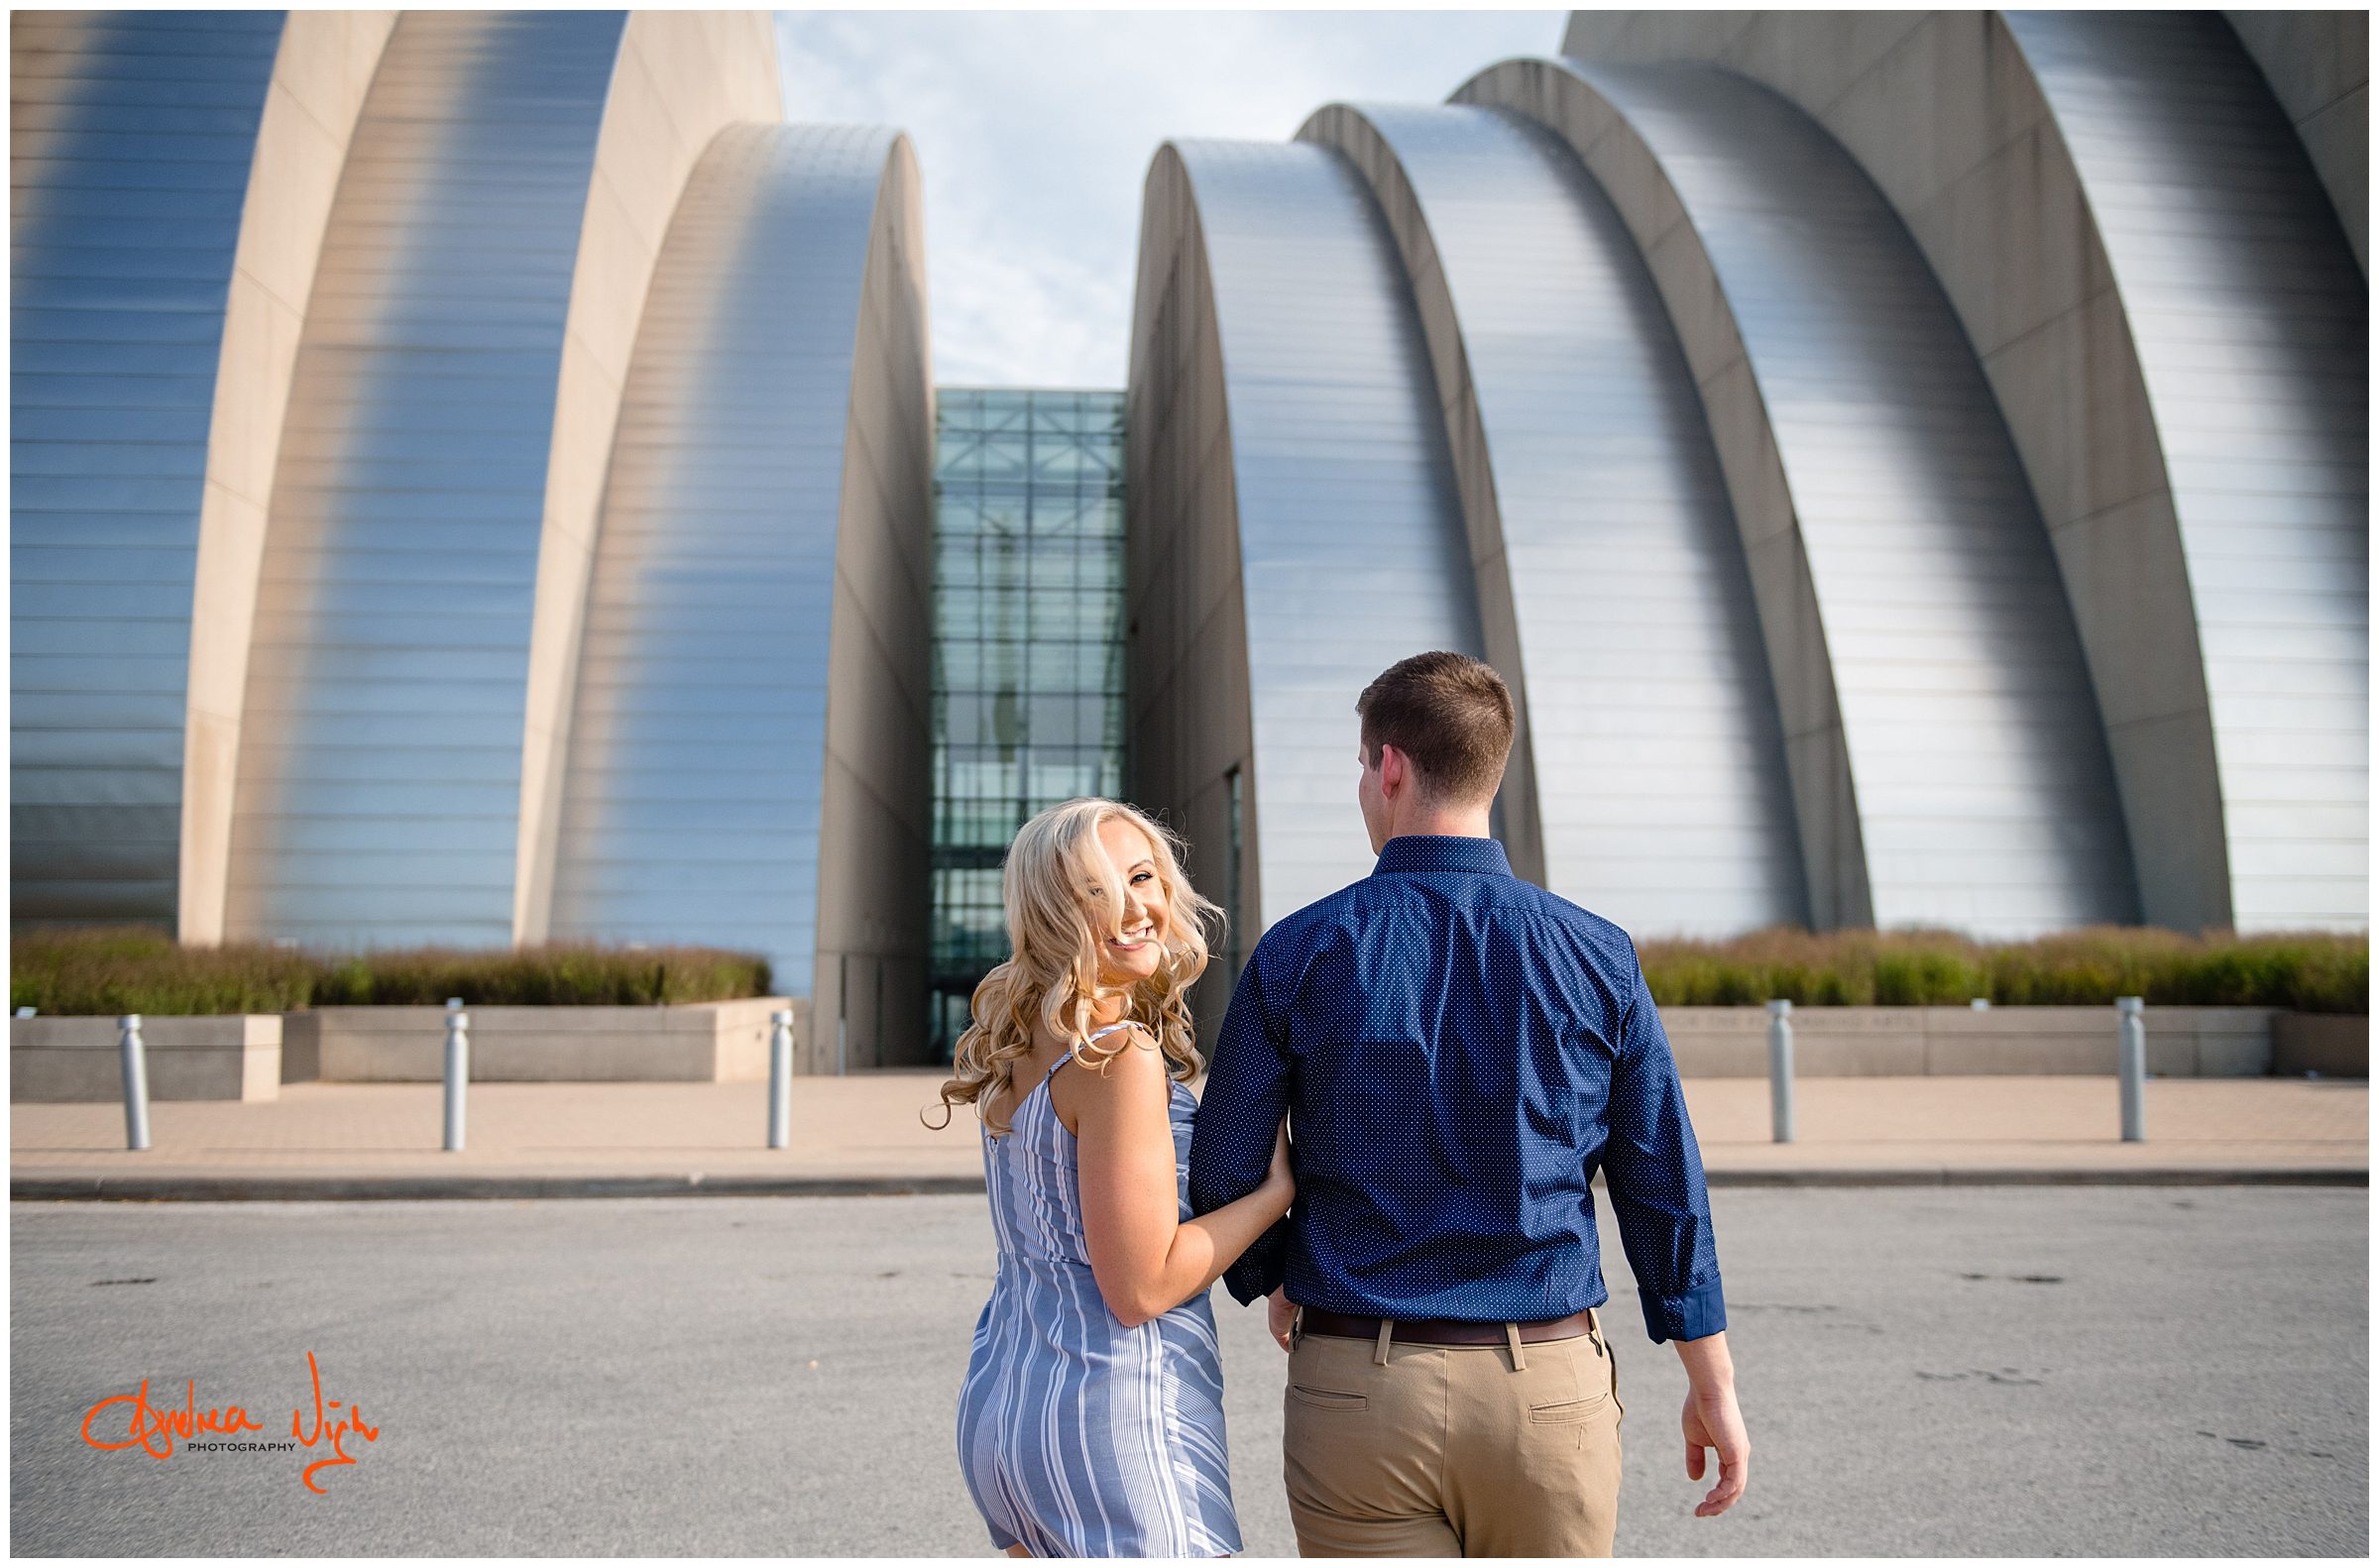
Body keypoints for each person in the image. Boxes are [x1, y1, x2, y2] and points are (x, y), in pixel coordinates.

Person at [1188, 650, 1752, 1556]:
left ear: (1392, 768)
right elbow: (1662, 1184)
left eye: (1361, 769)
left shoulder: (1299, 951)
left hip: (1358, 1385)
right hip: (1548, 1384)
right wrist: (1710, 1380)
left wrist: (1277, 1273)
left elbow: (1222, 1166)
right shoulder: (1598, 955)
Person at [933, 797, 1294, 1558]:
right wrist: (1273, 1198)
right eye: (1095, 891)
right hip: (1115, 1418)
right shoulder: (1116, 1056)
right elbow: (1143, 1288)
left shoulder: (1022, 1044)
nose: (1136, 909)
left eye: (1142, 877)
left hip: (1008, 1408)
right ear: (1053, 912)